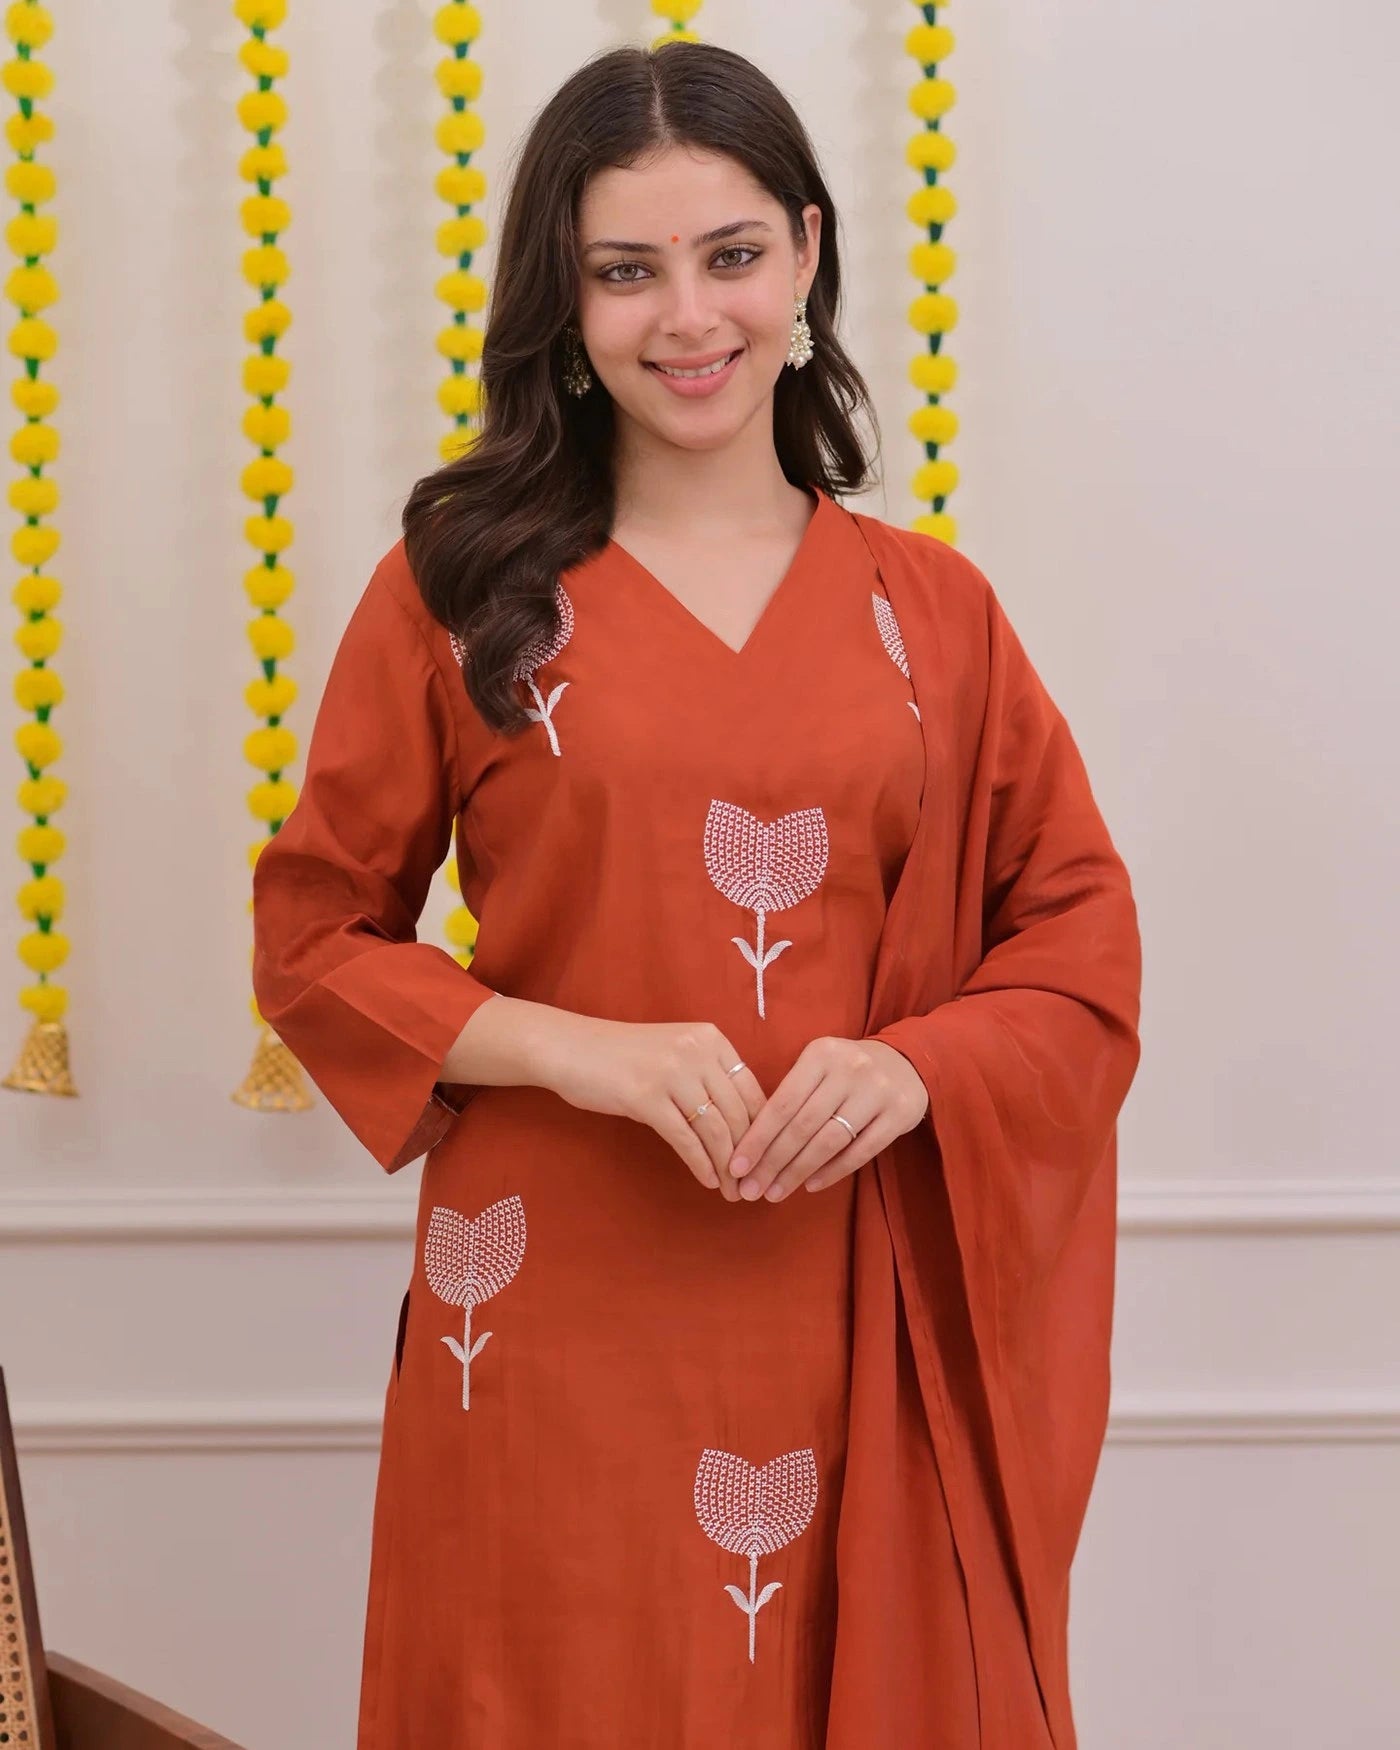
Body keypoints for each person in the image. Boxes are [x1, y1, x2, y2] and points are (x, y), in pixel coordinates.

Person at [251, 39, 1142, 1750]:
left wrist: (916, 1067)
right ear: (563, 305)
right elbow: (311, 936)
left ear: (805, 255)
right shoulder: (462, 593)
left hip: (847, 1303)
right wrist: (576, 1051)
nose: (688, 316)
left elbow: (1078, 938)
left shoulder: (929, 615)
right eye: (625, 270)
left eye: (731, 254)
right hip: (548, 1319)